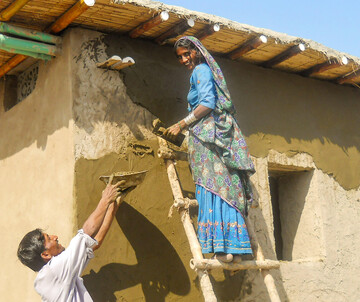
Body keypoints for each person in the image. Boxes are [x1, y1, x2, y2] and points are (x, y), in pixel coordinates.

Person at [165, 36, 256, 262]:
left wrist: (181, 124)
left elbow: (207, 103)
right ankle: (230, 247)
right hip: (215, 136)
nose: (185, 59)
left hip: (207, 137)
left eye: (188, 54)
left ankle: (220, 246)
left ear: (197, 51)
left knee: (210, 185)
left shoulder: (200, 71)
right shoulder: (204, 71)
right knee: (224, 186)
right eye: (180, 57)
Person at [17, 177, 131, 301]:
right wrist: (106, 199)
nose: (55, 237)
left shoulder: (62, 273)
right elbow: (87, 231)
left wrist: (113, 206)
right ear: (45, 254)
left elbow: (95, 243)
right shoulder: (53, 270)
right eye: (49, 239)